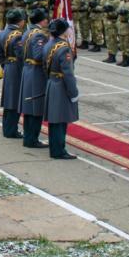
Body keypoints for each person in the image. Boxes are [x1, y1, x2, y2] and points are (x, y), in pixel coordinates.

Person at [43, 19, 78, 160]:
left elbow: (44, 67)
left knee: (54, 119)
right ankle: (58, 150)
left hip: (52, 82)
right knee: (60, 119)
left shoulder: (49, 44)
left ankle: (55, 148)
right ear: (64, 31)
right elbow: (68, 73)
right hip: (60, 85)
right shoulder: (63, 48)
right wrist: (73, 92)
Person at [19, 9, 50, 149]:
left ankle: (28, 137)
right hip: (35, 72)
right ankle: (32, 139)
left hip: (27, 69)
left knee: (29, 108)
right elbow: (39, 55)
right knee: (35, 107)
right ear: (42, 20)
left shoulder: (27, 31)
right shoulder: (39, 35)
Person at [0, 9, 26, 139]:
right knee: (14, 100)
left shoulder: (3, 33)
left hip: (8, 67)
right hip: (16, 69)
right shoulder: (18, 35)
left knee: (8, 99)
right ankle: (11, 130)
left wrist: (5, 65)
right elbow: (21, 56)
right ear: (20, 22)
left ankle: (7, 128)